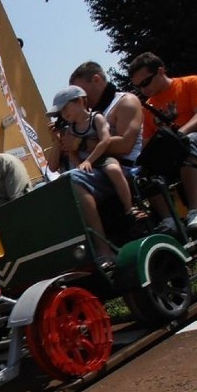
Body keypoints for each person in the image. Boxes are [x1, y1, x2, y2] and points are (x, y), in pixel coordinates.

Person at [48, 61, 145, 268]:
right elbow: (58, 163)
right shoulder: (77, 122)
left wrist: (81, 146)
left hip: (122, 165)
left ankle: (109, 239)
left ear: (97, 80)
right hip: (93, 170)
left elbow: (124, 144)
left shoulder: (122, 103)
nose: (64, 115)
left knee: (79, 178)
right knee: (51, 187)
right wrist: (61, 142)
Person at [128, 52, 197, 231]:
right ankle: (169, 219)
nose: (143, 90)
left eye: (145, 83)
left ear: (160, 71)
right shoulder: (147, 108)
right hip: (172, 150)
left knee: (189, 143)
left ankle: (196, 210)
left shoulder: (192, 82)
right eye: (137, 87)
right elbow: (147, 143)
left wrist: (180, 134)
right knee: (143, 170)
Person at [48, 85, 143, 222]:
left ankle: (129, 207)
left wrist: (89, 160)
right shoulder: (70, 129)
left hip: (101, 157)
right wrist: (79, 164)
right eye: (60, 113)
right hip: (86, 164)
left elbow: (105, 141)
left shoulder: (96, 118)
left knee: (113, 169)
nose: (63, 115)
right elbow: (70, 153)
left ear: (80, 101)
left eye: (65, 109)